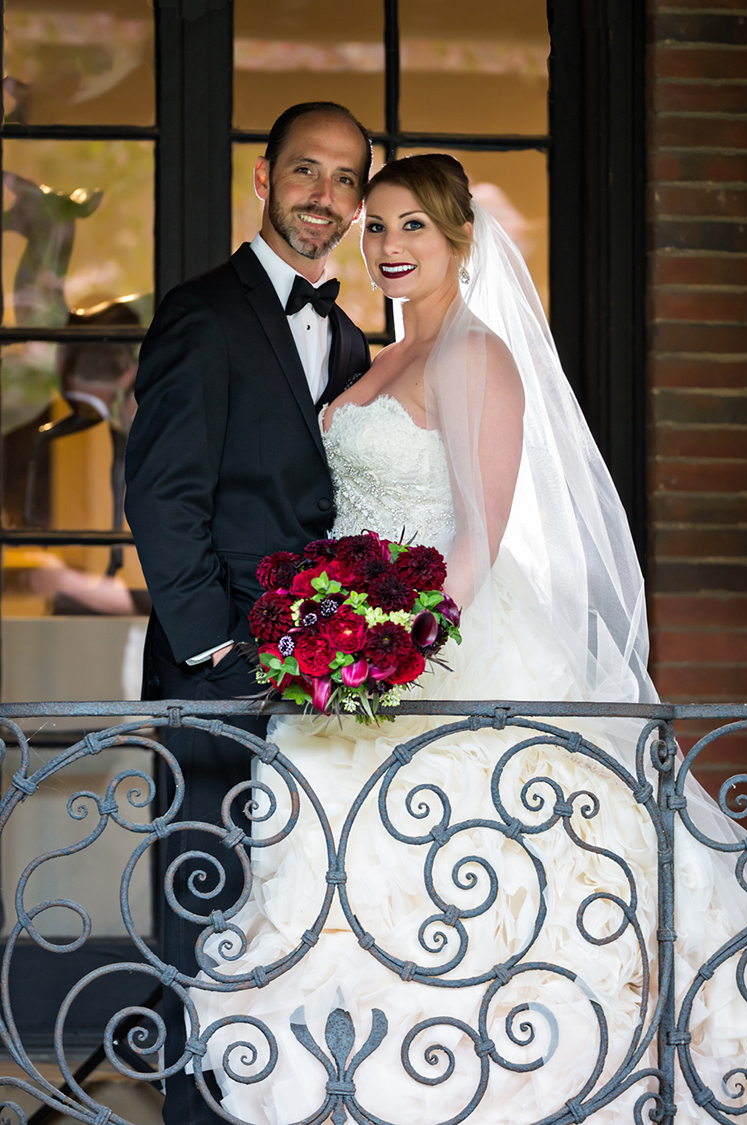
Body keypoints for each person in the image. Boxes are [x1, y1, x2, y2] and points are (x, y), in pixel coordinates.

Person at [187, 156, 747, 1123]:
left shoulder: (475, 354)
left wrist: (392, 648)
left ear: (459, 243)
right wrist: (332, 632)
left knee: (471, 880)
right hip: (355, 649)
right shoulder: (383, 354)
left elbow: (479, 535)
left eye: (414, 228)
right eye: (378, 228)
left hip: (438, 639)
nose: (390, 247)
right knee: (334, 886)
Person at [123, 102, 373, 1124]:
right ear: (264, 181)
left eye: (347, 179)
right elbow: (163, 494)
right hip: (214, 678)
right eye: (306, 172)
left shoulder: (356, 341)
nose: (326, 196)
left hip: (326, 695)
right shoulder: (202, 312)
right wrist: (220, 651)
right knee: (205, 920)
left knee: (293, 924)